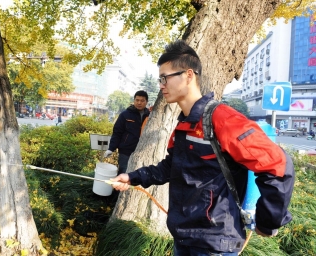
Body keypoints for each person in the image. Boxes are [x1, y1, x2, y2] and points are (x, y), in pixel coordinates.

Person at [111, 40, 295, 255]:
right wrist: (133, 177)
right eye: (159, 79)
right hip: (185, 238)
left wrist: (268, 221)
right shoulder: (184, 124)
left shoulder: (222, 118)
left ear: (189, 75)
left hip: (215, 244)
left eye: (165, 78)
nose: (161, 85)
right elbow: (172, 167)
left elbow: (278, 166)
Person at [104, 90, 150, 174]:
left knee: (139, 176)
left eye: (142, 101)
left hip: (143, 151)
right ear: (134, 100)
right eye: (137, 100)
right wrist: (111, 148)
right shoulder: (125, 115)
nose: (139, 103)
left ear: (146, 102)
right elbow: (117, 133)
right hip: (126, 151)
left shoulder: (150, 116)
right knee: (124, 173)